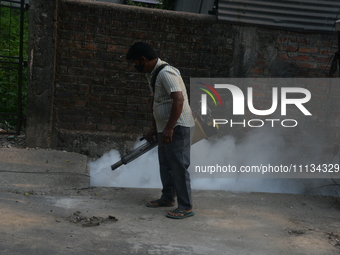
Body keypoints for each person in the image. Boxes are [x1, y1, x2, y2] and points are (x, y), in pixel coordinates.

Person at [126, 42, 195, 219]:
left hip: (177, 127)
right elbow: (157, 103)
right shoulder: (153, 74)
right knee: (166, 164)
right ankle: (167, 198)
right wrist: (155, 128)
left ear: (143, 59)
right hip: (165, 127)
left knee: (179, 166)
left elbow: (178, 100)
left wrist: (170, 128)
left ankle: (186, 207)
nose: (134, 67)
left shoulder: (166, 73)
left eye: (135, 63)